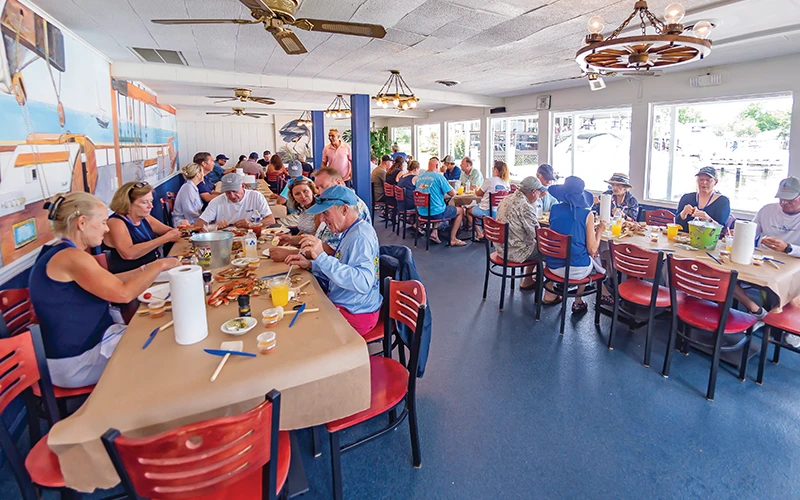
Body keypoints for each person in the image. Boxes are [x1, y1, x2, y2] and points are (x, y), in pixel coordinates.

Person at [30, 192, 181, 388]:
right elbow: (123, 294)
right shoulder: (71, 257)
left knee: (161, 337)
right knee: (165, 353)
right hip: (77, 360)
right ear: (82, 222)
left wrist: (145, 269)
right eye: (102, 222)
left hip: (92, 343)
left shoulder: (62, 252)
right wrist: (158, 266)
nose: (107, 228)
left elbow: (110, 282)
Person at [285, 185, 382, 334]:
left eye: (326, 213)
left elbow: (364, 282)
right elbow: (342, 265)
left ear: (344, 209)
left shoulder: (360, 236)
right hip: (346, 304)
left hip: (357, 313)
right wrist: (311, 264)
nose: (322, 219)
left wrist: (321, 256)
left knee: (300, 330)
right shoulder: (350, 230)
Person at [733, 177, 800, 326]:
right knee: (725, 276)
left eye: (789, 199)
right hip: (761, 260)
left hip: (793, 265)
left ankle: (782, 321)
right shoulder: (767, 210)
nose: (784, 203)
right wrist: (736, 235)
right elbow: (750, 232)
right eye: (781, 198)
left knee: (783, 287)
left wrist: (788, 248)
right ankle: (757, 311)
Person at [270, 167, 371, 262]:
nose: (319, 192)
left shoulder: (349, 205)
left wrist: (292, 253)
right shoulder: (331, 203)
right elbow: (320, 237)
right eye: (318, 187)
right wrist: (291, 240)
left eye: (323, 186)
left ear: (338, 183)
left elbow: (331, 249)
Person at [542, 176, 606, 314]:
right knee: (595, 258)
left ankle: (548, 293)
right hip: (576, 271)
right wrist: (599, 231)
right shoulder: (587, 214)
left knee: (565, 250)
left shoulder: (554, 209)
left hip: (552, 266)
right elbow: (592, 249)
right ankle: (578, 301)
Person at [104, 182, 182, 274]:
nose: (151, 206)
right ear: (128, 203)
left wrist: (181, 228)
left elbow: (170, 232)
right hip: (131, 276)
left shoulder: (145, 217)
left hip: (151, 269)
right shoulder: (116, 223)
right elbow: (129, 254)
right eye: (145, 202)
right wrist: (165, 238)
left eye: (151, 201)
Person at [495, 176, 548, 289]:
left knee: (533, 244)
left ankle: (527, 279)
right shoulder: (525, 207)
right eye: (539, 192)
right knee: (548, 250)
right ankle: (550, 291)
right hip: (516, 252)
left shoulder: (506, 199)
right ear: (534, 192)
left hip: (501, 249)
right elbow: (537, 235)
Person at [415, 157, 466, 246]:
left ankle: (434, 233)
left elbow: (425, 190)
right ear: (437, 166)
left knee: (438, 204)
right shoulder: (439, 177)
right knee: (460, 211)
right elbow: (452, 193)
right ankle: (453, 239)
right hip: (435, 213)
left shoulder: (419, 177)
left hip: (421, 212)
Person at [195, 173, 276, 229]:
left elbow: (271, 220)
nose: (232, 196)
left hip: (251, 235)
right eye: (227, 192)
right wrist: (214, 226)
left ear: (243, 186)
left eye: (235, 191)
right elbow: (198, 225)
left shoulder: (256, 196)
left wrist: (253, 224)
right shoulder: (217, 201)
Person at [676, 166, 731, 232]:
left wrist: (708, 219)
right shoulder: (686, 198)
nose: (704, 182)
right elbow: (677, 224)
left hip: (708, 240)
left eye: (708, 180)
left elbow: (720, 228)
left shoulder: (723, 202)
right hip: (684, 238)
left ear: (715, 182)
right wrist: (684, 213)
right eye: (701, 179)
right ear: (697, 181)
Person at [468, 160, 511, 240]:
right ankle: (486, 232)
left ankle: (479, 233)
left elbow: (479, 194)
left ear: (496, 170)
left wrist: (476, 190)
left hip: (487, 210)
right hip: (500, 211)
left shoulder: (490, 180)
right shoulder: (507, 184)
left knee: (468, 211)